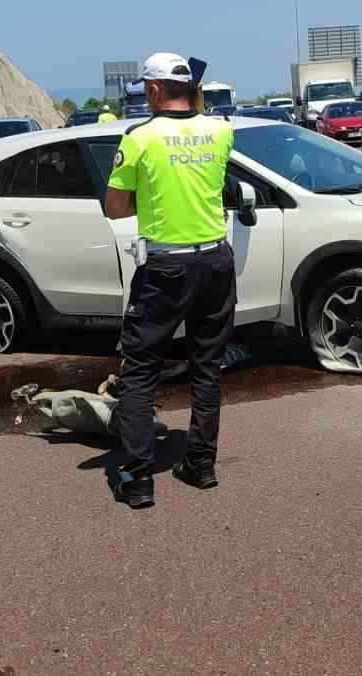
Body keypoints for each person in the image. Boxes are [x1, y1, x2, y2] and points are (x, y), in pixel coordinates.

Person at [102, 51, 236, 509]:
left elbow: (114, 207)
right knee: (207, 365)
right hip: (216, 262)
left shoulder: (140, 138)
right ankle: (200, 466)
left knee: (140, 368)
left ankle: (139, 478)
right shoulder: (221, 132)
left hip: (164, 269)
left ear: (154, 91)